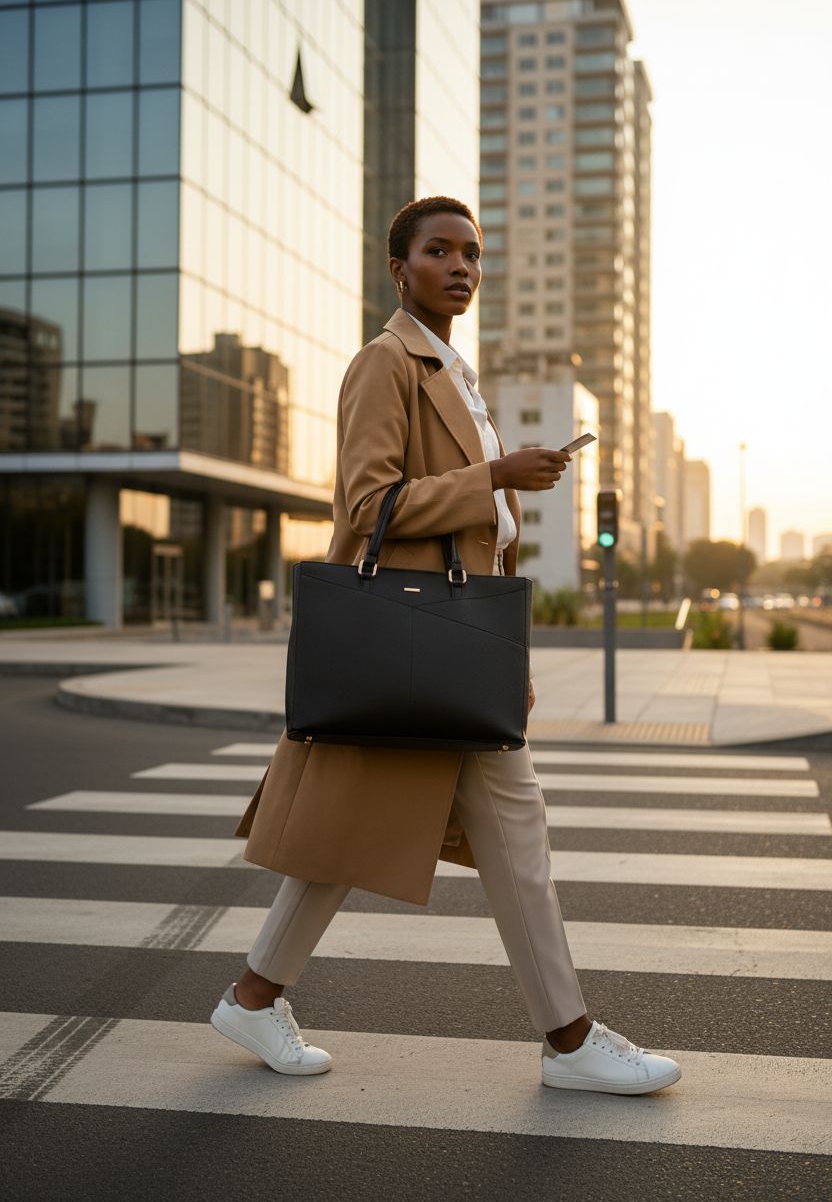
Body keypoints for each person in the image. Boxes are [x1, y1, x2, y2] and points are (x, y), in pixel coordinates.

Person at [211, 196, 681, 1096]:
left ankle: (253, 994)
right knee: (507, 833)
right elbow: (366, 507)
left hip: (452, 648)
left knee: (366, 832)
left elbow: (487, 543)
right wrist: (496, 475)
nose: (462, 266)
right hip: (410, 640)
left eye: (472, 253)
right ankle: (571, 1041)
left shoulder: (456, 375)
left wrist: (514, 661)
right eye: (439, 251)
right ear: (400, 269)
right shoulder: (383, 364)